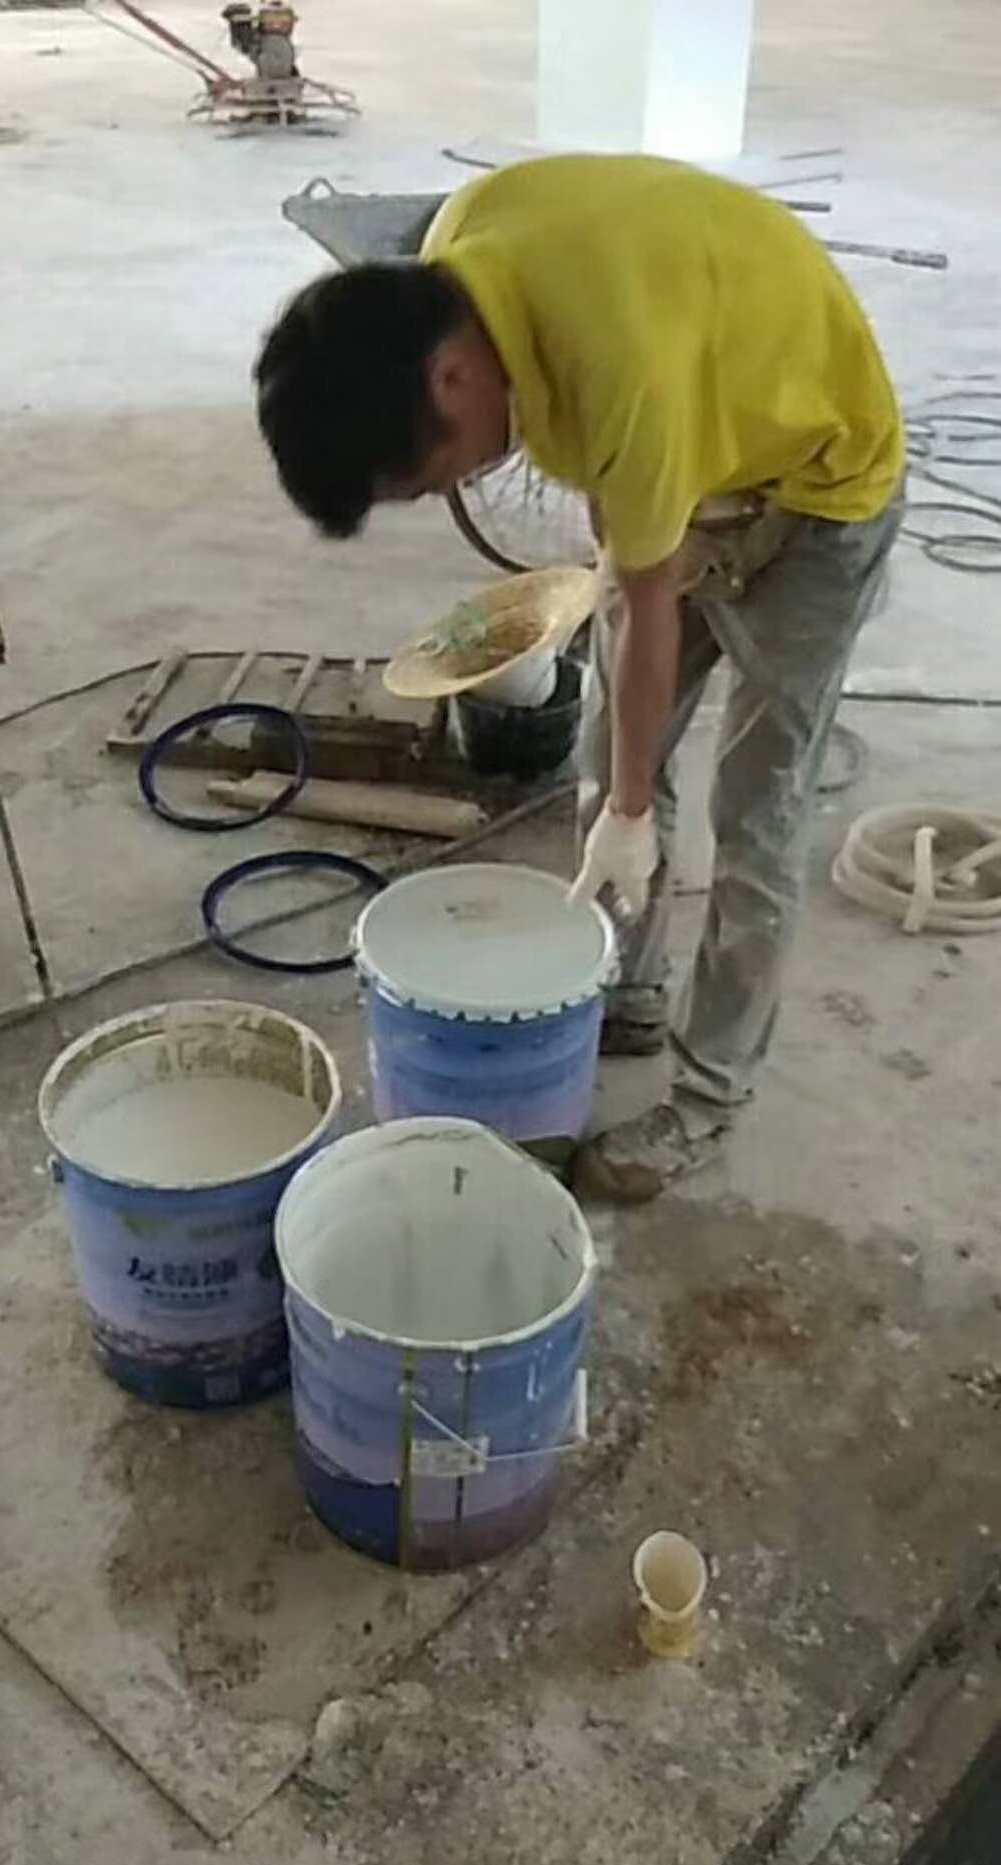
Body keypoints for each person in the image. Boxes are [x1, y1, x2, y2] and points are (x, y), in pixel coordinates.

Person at [254, 154, 904, 1198]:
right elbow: (632, 553)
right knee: (614, 756)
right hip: (700, 415)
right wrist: (623, 791)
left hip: (819, 483)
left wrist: (633, 812)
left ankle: (707, 1098)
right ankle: (626, 987)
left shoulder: (620, 375)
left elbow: (645, 602)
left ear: (450, 378)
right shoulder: (458, 257)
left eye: (436, 473)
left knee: (759, 810)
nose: (457, 483)